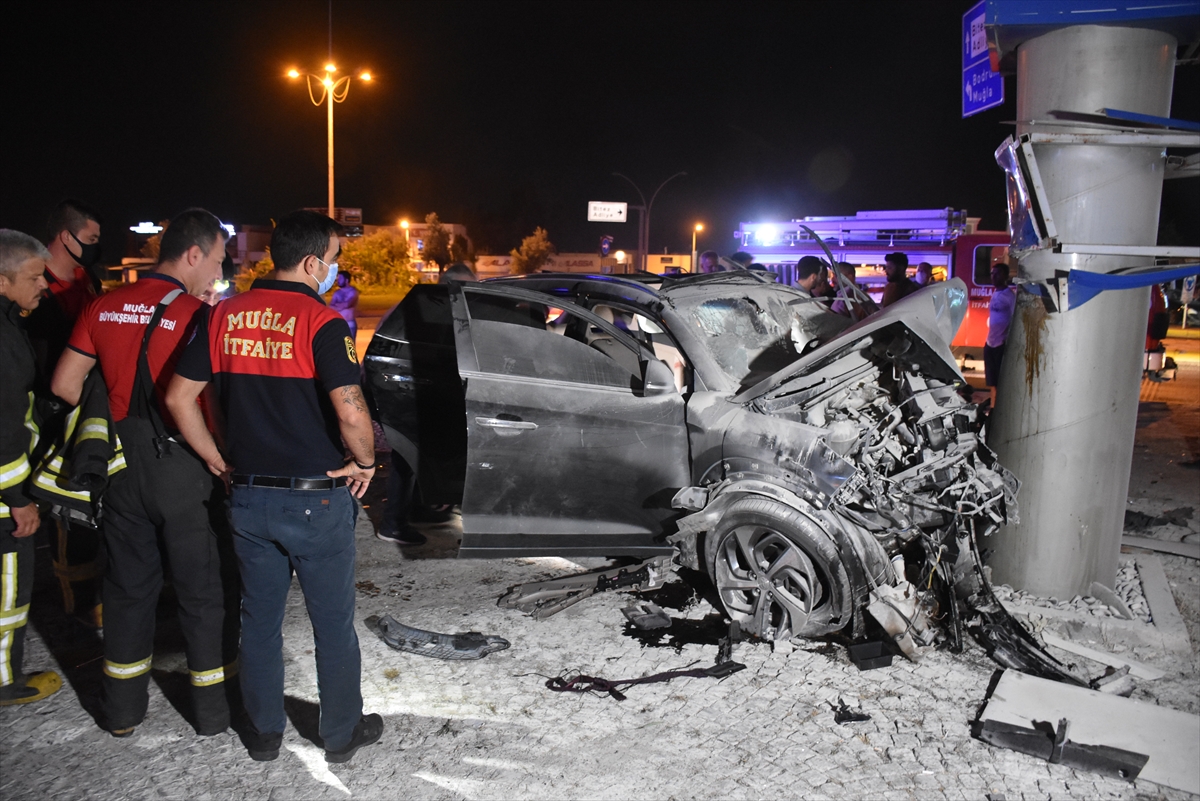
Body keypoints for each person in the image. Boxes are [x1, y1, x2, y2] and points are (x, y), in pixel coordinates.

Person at [166, 209, 383, 765]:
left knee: (258, 622)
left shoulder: (223, 317)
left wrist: (218, 461)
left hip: (248, 498)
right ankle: (340, 734)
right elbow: (352, 414)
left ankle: (263, 735)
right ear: (313, 262)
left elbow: (176, 398)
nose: (334, 272)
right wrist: (365, 462)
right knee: (332, 624)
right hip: (316, 499)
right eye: (334, 261)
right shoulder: (322, 323)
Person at [52, 208, 235, 738]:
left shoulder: (101, 305)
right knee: (202, 593)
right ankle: (212, 715)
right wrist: (219, 459)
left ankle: (122, 713)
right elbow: (210, 405)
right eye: (217, 262)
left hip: (119, 464)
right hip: (182, 466)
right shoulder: (199, 316)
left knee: (128, 591)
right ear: (193, 254)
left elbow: (66, 386)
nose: (217, 275)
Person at [26, 200, 106, 626]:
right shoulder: (37, 289)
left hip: (91, 404)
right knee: (67, 506)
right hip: (54, 407)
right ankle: (75, 599)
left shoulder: (87, 279)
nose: (95, 247)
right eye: (90, 240)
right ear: (65, 236)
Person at [0, 230, 62, 707]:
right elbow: (3, 426)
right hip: (5, 499)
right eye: (34, 276)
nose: (44, 285)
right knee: (8, 592)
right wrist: (18, 500)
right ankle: (5, 680)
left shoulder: (9, 324)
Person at [984, 262, 1018, 408]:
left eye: (997, 274)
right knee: (992, 382)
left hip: (1001, 344)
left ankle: (999, 409)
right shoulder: (996, 294)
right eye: (992, 274)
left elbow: (1014, 318)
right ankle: (993, 407)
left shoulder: (1009, 296)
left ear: (1005, 276)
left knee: (1000, 382)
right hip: (990, 343)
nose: (993, 277)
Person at [329, 271, 359, 338]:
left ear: (346, 280)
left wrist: (337, 306)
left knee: (349, 346)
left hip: (349, 324)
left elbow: (348, 304)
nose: (338, 281)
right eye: (338, 279)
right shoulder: (337, 293)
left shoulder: (353, 291)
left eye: (340, 279)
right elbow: (331, 307)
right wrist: (342, 306)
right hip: (338, 324)